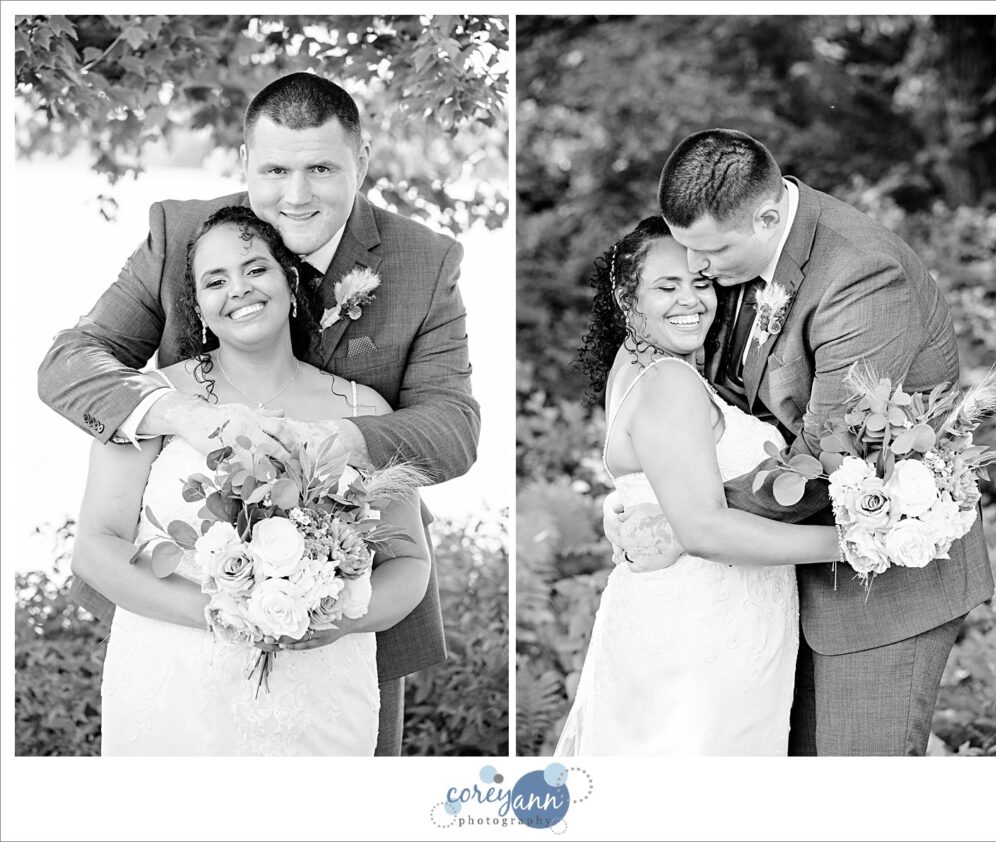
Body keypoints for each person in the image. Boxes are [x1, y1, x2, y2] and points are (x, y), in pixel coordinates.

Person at [37, 72, 480, 756]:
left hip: (351, 613)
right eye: (274, 169)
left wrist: (341, 441)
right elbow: (71, 362)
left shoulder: (426, 263)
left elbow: (454, 428)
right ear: (244, 162)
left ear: (361, 161)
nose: (295, 195)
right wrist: (179, 415)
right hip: (178, 621)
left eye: (322, 169)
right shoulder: (181, 234)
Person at [610, 129, 993, 756]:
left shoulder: (860, 276)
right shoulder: (736, 254)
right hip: (772, 589)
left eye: (710, 252)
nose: (698, 271)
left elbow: (828, 455)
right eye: (686, 252)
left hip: (880, 595)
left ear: (766, 216)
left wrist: (692, 519)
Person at [73, 207, 430, 755]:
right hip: (176, 682)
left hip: (320, 689)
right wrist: (221, 614)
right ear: (199, 308)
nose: (238, 289)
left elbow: (410, 565)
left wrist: (338, 619)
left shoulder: (364, 410)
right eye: (215, 281)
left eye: (255, 269)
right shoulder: (154, 403)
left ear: (290, 281)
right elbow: (95, 549)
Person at [555, 217, 841, 756]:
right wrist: (850, 546)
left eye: (701, 283)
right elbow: (705, 528)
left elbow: (656, 483)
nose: (691, 301)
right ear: (625, 295)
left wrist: (624, 507)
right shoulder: (668, 381)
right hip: (701, 636)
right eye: (667, 286)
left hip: (699, 620)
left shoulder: (645, 366)